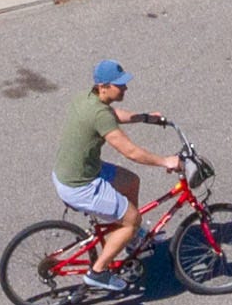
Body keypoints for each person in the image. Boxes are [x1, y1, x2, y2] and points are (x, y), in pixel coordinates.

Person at [51, 57, 175, 281]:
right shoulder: (98, 113)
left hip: (74, 171)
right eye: (120, 84)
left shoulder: (88, 99)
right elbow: (131, 152)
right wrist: (166, 161)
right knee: (132, 218)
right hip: (80, 185)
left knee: (131, 181)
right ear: (103, 87)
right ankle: (98, 272)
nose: (125, 87)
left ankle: (131, 236)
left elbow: (113, 115)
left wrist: (144, 118)